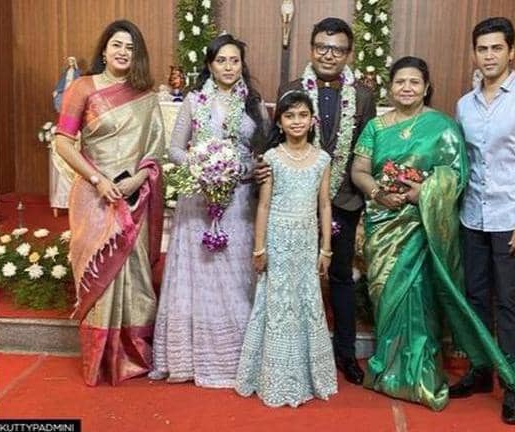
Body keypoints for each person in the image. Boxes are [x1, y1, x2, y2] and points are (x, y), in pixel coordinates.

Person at [350, 56, 515, 411]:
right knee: (384, 293)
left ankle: (421, 376)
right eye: (400, 82)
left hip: (423, 225)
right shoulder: (375, 127)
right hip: (383, 222)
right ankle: (387, 371)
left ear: (426, 87)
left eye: (414, 82)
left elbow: (456, 176)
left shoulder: (443, 126)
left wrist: (423, 193)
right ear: (390, 87)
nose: (407, 88)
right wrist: (378, 193)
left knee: (421, 299)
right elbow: (359, 170)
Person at [257, 17, 376, 385]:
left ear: (348, 54)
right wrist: (263, 169)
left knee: (340, 276)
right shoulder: (292, 88)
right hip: (296, 200)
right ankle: (294, 350)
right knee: (295, 277)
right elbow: (275, 139)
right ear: (311, 49)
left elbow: (366, 150)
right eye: (322, 47)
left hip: (344, 200)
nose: (329, 55)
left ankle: (345, 354)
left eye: (338, 49)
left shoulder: (364, 95)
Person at [450, 17, 515, 425]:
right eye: (482, 49)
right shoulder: (465, 104)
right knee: (476, 299)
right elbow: (463, 162)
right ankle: (480, 372)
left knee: (509, 304)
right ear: (474, 54)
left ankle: (512, 385)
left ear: (511, 51)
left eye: (497, 48)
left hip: (512, 217)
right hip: (472, 216)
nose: (489, 56)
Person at [150, 34, 269, 388]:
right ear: (209, 65)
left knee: (235, 278)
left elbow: (263, 155)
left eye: (234, 60)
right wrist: (202, 166)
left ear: (241, 64)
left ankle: (238, 359)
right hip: (198, 201)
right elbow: (174, 148)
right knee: (200, 273)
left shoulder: (254, 104)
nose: (228, 67)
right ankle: (190, 357)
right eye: (221, 61)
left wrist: (238, 170)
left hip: (239, 200)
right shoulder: (194, 100)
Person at [54, 19, 164, 386]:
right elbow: (63, 142)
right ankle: (101, 358)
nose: (123, 52)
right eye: (117, 44)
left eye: (130, 48)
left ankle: (133, 355)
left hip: (134, 197)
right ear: (104, 49)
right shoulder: (83, 87)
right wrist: (98, 180)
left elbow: (155, 150)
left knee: (135, 275)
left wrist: (138, 179)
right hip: (94, 195)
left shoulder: (146, 96)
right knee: (98, 269)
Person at [235, 91, 337, 407]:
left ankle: (308, 376)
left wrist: (326, 249)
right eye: (289, 116)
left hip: (306, 243)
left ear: (312, 120)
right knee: (277, 304)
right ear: (279, 122)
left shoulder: (322, 159)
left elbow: (324, 205)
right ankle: (273, 377)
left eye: (302, 115)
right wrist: (259, 248)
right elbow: (264, 205)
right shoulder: (272, 158)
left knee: (306, 301)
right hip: (278, 240)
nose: (296, 121)